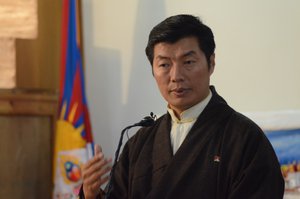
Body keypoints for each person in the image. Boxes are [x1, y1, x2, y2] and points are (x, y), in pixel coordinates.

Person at [79, 14, 284, 199]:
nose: (176, 76)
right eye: (164, 65)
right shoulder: (139, 143)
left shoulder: (244, 138)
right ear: (153, 70)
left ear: (211, 63)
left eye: (188, 62)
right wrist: (92, 194)